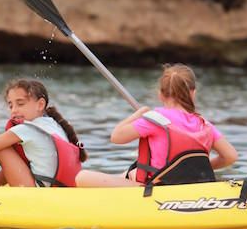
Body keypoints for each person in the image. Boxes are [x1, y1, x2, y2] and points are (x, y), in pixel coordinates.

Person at [76, 63, 237, 193]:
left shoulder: (155, 118)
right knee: (130, 172)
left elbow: (116, 137)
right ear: (193, 93)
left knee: (82, 177)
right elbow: (230, 156)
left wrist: (139, 114)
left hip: (159, 191)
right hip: (193, 188)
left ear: (161, 94)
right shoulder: (204, 123)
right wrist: (199, 169)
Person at [0, 78, 87, 187]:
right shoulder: (52, 124)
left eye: (20, 104)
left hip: (38, 191)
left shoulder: (27, 129)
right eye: (10, 106)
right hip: (54, 187)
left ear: (40, 104)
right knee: (7, 150)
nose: (14, 110)